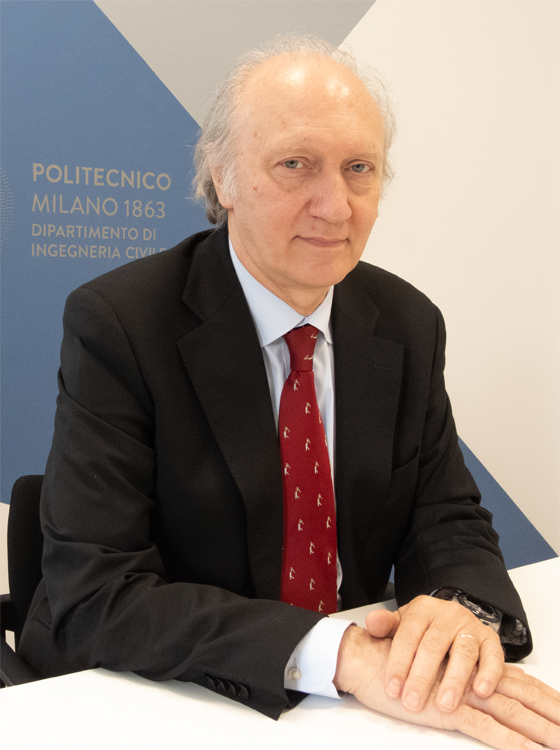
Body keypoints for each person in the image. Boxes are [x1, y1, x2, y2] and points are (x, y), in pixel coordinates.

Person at [20, 36, 560, 750]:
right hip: (172, 700)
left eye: (359, 168)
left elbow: (447, 516)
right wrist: (338, 654)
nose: (335, 206)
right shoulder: (121, 324)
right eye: (295, 164)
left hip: (352, 718)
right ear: (223, 177)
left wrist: (457, 609)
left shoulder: (407, 323)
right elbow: (95, 594)